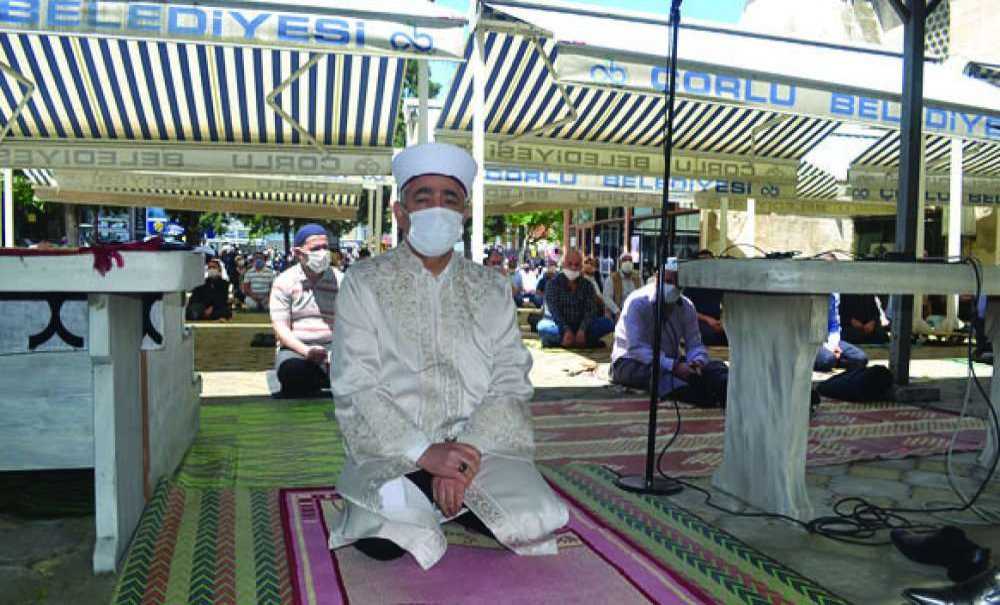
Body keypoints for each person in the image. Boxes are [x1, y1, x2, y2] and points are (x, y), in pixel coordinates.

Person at [327, 142, 567, 569]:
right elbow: (356, 385)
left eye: (450, 199)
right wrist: (426, 453)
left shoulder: (491, 287)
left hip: (479, 448)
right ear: (401, 213)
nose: (437, 208)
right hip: (395, 451)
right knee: (384, 539)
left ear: (464, 214)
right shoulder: (364, 282)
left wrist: (463, 454)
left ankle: (445, 496)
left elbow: (511, 380)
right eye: (424, 198)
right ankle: (433, 500)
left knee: (534, 517)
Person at [609, 258, 728, 407]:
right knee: (657, 375)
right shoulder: (637, 303)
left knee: (715, 367)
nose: (672, 287)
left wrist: (697, 361)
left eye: (677, 283)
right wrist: (673, 367)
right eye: (669, 281)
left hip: (671, 360)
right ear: (657, 278)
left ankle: (721, 387)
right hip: (631, 361)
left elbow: (695, 343)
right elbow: (637, 349)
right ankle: (690, 391)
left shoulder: (686, 306)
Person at [269, 224, 339, 398]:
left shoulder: (341, 281)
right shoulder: (284, 282)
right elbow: (281, 329)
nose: (323, 253)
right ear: (298, 253)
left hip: (334, 348)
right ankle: (325, 379)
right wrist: (306, 351)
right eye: (315, 249)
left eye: (325, 247)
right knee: (291, 370)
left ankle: (322, 378)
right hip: (296, 349)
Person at [536, 249, 615, 348]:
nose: (573, 267)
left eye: (577, 265)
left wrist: (582, 330)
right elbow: (554, 312)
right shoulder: (552, 284)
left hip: (583, 327)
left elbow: (590, 310)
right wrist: (566, 329)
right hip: (559, 326)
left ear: (581, 267)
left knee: (608, 324)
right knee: (543, 326)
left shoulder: (588, 285)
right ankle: (581, 341)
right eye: (570, 264)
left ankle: (565, 341)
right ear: (563, 265)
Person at [814, 293, 869, 372]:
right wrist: (828, 347)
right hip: (812, 343)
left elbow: (834, 325)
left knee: (861, 359)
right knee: (828, 360)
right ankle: (829, 359)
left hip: (830, 340)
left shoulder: (834, 294)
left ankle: (832, 358)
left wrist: (833, 345)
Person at [683, 249, 727, 346]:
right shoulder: (691, 284)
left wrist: (723, 322)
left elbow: (725, 304)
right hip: (698, 320)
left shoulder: (717, 284)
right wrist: (707, 319)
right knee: (709, 336)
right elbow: (686, 309)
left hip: (716, 320)